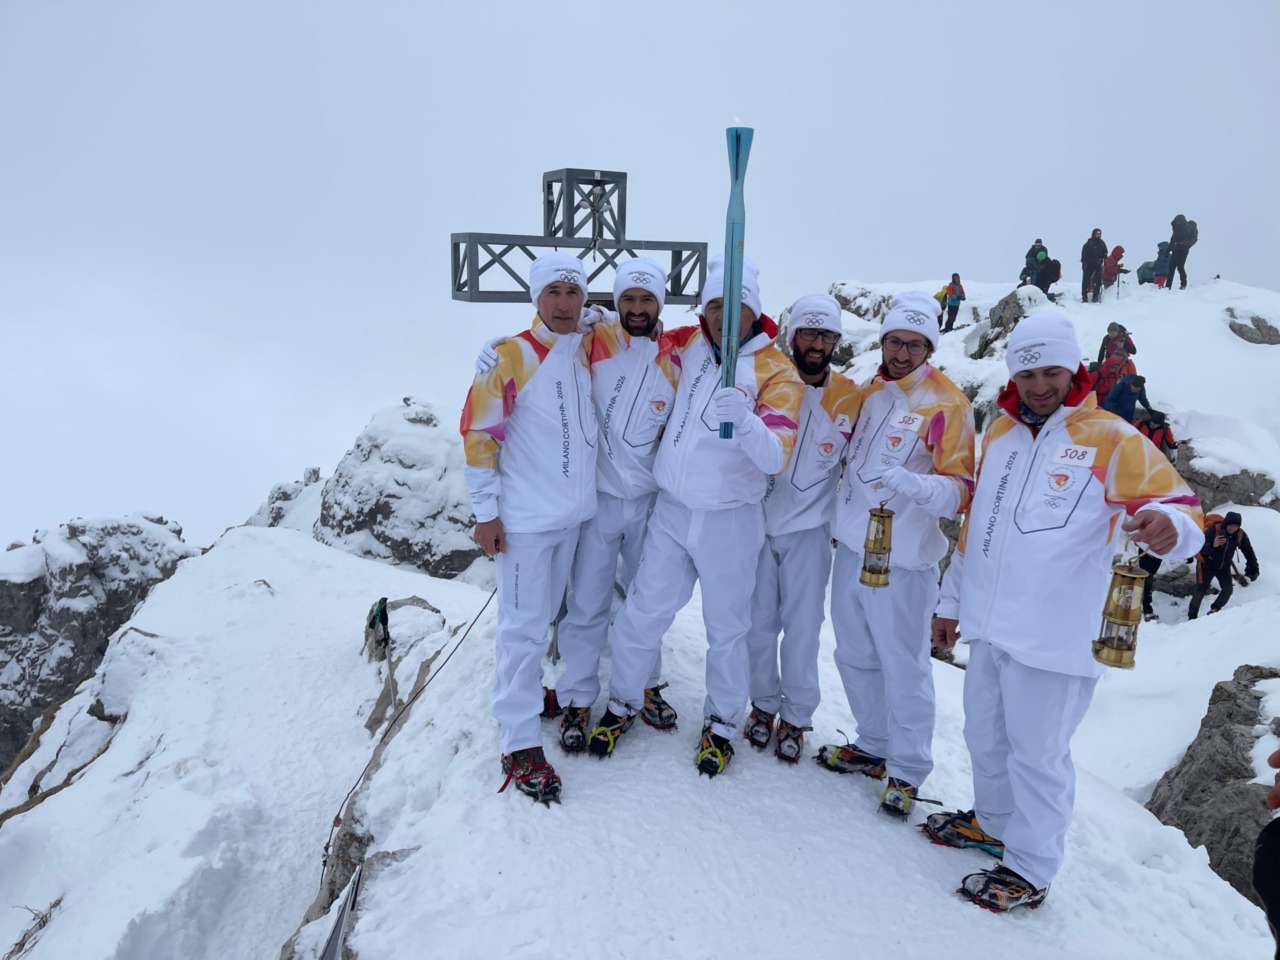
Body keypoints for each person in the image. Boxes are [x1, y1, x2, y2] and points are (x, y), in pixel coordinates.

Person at [926, 310, 1203, 912]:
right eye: (1028, 373)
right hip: (989, 627)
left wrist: (1171, 527)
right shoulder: (1000, 433)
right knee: (985, 738)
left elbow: (1181, 504)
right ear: (1014, 376)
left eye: (1052, 371)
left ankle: (1029, 867)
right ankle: (993, 825)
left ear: (1073, 368)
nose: (1040, 385)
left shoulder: (1109, 436)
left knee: (1037, 754)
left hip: (1056, 638)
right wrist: (950, 603)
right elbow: (978, 528)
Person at [585, 254, 804, 778]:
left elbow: (777, 455)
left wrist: (748, 423)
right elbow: (635, 333)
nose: (723, 318)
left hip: (730, 519)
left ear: (754, 310)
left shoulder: (777, 371)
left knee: (727, 628)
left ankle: (722, 725)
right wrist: (592, 325)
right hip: (673, 510)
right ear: (703, 309)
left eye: (735, 308)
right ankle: (623, 704)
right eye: (714, 306)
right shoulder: (687, 343)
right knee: (642, 611)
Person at [817, 292, 976, 818]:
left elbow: (960, 490)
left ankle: (906, 771)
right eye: (893, 341)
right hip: (853, 548)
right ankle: (873, 742)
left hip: (905, 560)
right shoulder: (874, 392)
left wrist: (918, 486)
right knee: (853, 653)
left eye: (913, 344)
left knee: (904, 666)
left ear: (929, 345)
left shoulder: (948, 403)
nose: (901, 353)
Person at [459, 252, 597, 805]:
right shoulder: (510, 357)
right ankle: (518, 738)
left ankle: (531, 695)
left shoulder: (585, 342)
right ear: (536, 298)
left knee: (549, 616)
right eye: (553, 293)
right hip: (524, 523)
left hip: (571, 518)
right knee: (523, 627)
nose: (564, 304)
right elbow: (478, 436)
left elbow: (622, 324)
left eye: (573, 292)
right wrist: (486, 512)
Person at [546, 259, 683, 751]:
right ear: (618, 302)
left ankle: (644, 685)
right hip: (599, 499)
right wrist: (497, 351)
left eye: (647, 300)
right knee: (586, 602)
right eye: (629, 299)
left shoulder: (681, 353)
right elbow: (546, 340)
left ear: (660, 305)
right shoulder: (594, 338)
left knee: (646, 603)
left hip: (650, 501)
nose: (637, 308)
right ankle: (579, 696)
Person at [744, 294, 862, 763]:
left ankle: (796, 714)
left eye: (826, 335)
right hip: (756, 523)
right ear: (791, 337)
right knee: (757, 626)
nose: (817, 343)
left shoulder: (854, 395)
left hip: (810, 531)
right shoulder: (768, 379)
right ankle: (763, 705)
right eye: (808, 334)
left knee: (803, 629)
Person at [1188, 511, 1259, 619]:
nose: (1233, 529)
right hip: (1206, 565)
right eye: (1231, 525)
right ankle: (1192, 616)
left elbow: (1248, 550)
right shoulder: (1213, 530)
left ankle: (1214, 609)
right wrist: (1213, 544)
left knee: (1228, 590)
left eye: (1236, 526)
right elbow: (1198, 547)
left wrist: (1253, 567)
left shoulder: (1240, 535)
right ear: (1226, 523)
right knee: (1200, 590)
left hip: (1224, 567)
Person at [1167, 214, 1198, 291]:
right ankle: (1168, 286)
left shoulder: (1187, 227)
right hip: (1176, 250)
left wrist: (1180, 244)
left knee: (1180, 267)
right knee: (1172, 268)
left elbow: (1189, 239)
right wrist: (1168, 249)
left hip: (1183, 250)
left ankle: (1183, 284)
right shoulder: (1176, 229)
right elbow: (1172, 240)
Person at [1080, 228, 1108, 303]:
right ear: (1093, 234)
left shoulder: (1102, 243)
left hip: (1098, 265)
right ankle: (1084, 297)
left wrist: (1104, 256)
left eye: (1099, 234)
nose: (1098, 235)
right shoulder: (1088, 244)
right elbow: (1084, 256)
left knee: (1098, 282)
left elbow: (1105, 252)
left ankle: (1095, 297)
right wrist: (1093, 261)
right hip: (1088, 266)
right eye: (1097, 234)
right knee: (1086, 281)